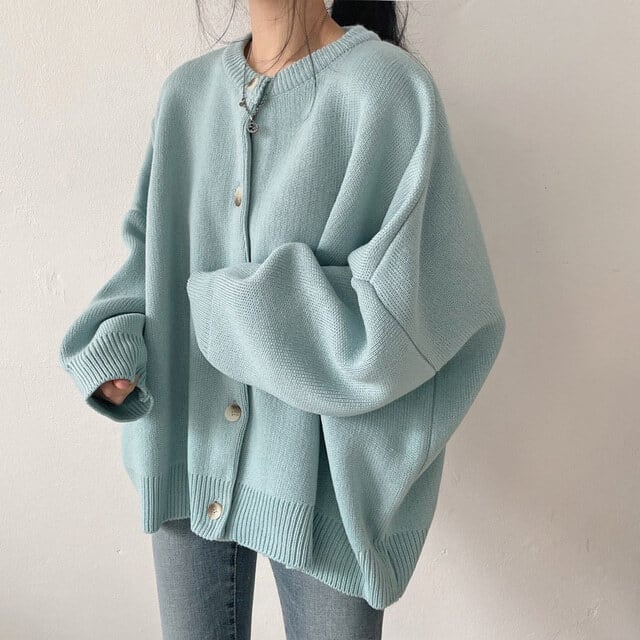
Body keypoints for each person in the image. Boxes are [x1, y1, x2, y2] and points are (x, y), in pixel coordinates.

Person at [58, 0, 507, 637]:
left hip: (325, 496)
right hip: (187, 450)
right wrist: (114, 343)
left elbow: (424, 310)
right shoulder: (187, 96)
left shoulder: (386, 90)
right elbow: (149, 256)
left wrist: (229, 310)